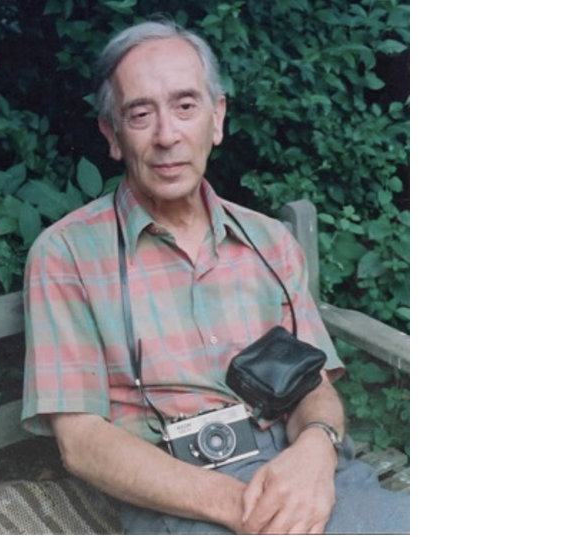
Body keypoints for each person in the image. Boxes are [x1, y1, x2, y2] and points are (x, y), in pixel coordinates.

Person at [20, 19, 409, 534]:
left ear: (217, 118)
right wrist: (245, 508)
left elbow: (312, 386)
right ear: (112, 136)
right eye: (140, 114)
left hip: (300, 471)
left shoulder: (269, 243)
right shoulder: (66, 255)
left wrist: (316, 449)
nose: (167, 135)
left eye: (186, 106)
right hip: (179, 496)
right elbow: (83, 442)